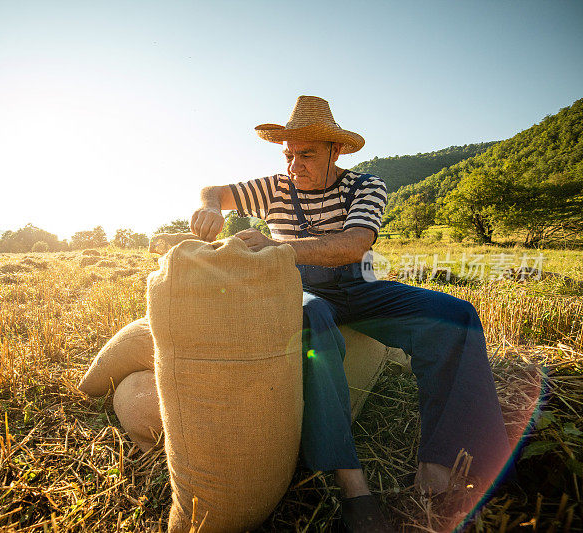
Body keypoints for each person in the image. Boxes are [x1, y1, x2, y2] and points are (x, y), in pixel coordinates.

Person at [189, 96, 511, 532]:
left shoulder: (366, 185)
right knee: (314, 317)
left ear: (334, 152)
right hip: (300, 291)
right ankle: (352, 483)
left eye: (306, 154)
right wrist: (210, 207)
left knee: (455, 314)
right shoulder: (274, 187)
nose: (294, 165)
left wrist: (275, 246)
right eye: (288, 154)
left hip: (361, 288)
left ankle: (443, 463)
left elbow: (353, 244)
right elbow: (216, 191)